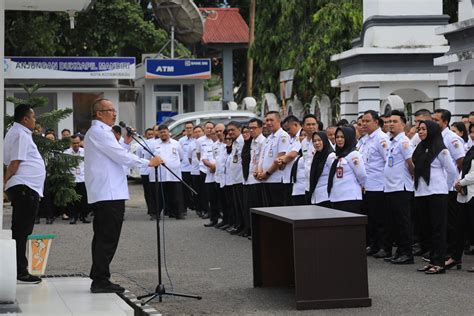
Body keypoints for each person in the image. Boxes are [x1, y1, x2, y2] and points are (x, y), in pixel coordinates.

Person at [84, 98, 162, 293]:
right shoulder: (99, 132)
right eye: (110, 110)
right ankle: (101, 280)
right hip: (108, 193)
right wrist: (148, 163)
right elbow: (120, 157)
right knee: (107, 238)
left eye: (114, 110)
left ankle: (98, 275)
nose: (114, 113)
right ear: (99, 113)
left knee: (103, 236)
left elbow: (116, 154)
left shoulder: (104, 133)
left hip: (109, 191)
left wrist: (126, 143)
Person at [4, 103, 46, 284]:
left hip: (26, 187)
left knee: (21, 231)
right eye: (33, 117)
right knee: (21, 232)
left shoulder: (19, 132)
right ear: (25, 119)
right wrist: (4, 184)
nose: (35, 120)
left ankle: (18, 269)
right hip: (24, 187)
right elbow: (15, 162)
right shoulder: (21, 134)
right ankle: (20, 272)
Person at [413, 120, 457, 274]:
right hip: (421, 192)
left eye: (424, 129)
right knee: (427, 229)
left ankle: (439, 262)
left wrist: (445, 186)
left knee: (438, 229)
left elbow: (452, 172)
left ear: (431, 130)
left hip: (437, 193)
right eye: (419, 129)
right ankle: (432, 260)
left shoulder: (440, 149)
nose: (421, 132)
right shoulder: (420, 148)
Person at [382, 110, 415, 264]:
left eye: (394, 122)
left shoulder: (404, 142)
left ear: (403, 124)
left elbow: (411, 163)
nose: (390, 124)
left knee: (403, 222)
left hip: (401, 188)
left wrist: (412, 178)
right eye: (389, 122)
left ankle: (407, 253)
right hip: (391, 187)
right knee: (394, 222)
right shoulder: (392, 141)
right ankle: (400, 251)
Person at [360, 110, 390, 259]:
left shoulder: (381, 138)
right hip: (367, 185)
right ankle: (374, 245)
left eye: (367, 121)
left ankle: (385, 246)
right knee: (370, 218)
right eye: (363, 121)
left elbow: (388, 161)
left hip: (379, 185)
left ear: (376, 122)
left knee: (380, 219)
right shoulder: (365, 139)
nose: (364, 124)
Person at [327, 126, 366, 213]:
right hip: (336, 197)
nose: (339, 139)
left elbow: (362, 175)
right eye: (337, 137)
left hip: (350, 198)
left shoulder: (353, 154)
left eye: (342, 137)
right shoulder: (338, 155)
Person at [150, 125, 186, 220]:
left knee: (176, 195)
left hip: (174, 174)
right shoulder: (153, 144)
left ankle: (178, 213)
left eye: (164, 132)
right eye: (161, 132)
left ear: (168, 132)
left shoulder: (176, 143)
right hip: (159, 174)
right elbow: (147, 157)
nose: (163, 134)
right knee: (158, 196)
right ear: (158, 133)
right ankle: (155, 214)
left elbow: (182, 156)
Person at [257, 111, 291, 206]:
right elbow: (262, 158)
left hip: (276, 179)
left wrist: (267, 173)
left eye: (271, 120)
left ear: (279, 121)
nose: (268, 123)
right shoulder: (268, 138)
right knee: (268, 209)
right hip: (266, 179)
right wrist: (260, 172)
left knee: (277, 209)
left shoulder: (282, 136)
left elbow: (280, 159)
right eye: (267, 120)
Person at [64, 134, 90, 224]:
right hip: (72, 179)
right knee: (72, 200)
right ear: (71, 143)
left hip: (82, 179)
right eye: (74, 143)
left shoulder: (85, 152)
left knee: (84, 199)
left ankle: (84, 216)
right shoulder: (66, 153)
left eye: (78, 143)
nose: (76, 145)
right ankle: (73, 217)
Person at [226, 121, 245, 235]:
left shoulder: (242, 141)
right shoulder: (235, 143)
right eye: (229, 130)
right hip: (234, 178)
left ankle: (244, 226)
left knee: (242, 205)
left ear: (240, 129)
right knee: (236, 204)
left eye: (233, 129)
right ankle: (239, 225)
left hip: (241, 178)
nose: (230, 132)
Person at [136, 128, 159, 220]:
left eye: (152, 134)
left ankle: (157, 209)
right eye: (148, 134)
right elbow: (138, 158)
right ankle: (151, 210)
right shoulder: (140, 145)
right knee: (148, 192)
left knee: (155, 192)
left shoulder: (156, 144)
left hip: (154, 171)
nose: (150, 136)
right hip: (145, 171)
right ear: (145, 135)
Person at [309, 131, 336, 207]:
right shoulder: (317, 156)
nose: (317, 143)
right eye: (314, 141)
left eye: (319, 140)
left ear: (324, 140)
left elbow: (335, 176)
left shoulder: (330, 156)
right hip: (317, 196)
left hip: (327, 197)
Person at [179, 121, 195, 212]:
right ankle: (184, 207)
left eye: (190, 128)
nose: (189, 130)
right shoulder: (181, 141)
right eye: (187, 128)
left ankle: (196, 206)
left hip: (195, 168)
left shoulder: (197, 139)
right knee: (185, 189)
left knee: (195, 188)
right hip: (184, 168)